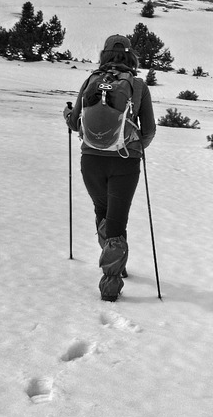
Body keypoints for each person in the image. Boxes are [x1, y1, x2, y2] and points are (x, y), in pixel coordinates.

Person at [64, 34, 156, 301]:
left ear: (104, 54)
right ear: (131, 56)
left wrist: (66, 114)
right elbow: (148, 129)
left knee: (103, 213)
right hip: (125, 162)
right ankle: (111, 286)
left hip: (90, 160)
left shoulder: (91, 80)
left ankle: (117, 262)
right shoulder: (137, 86)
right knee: (117, 220)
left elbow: (75, 122)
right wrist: (134, 148)